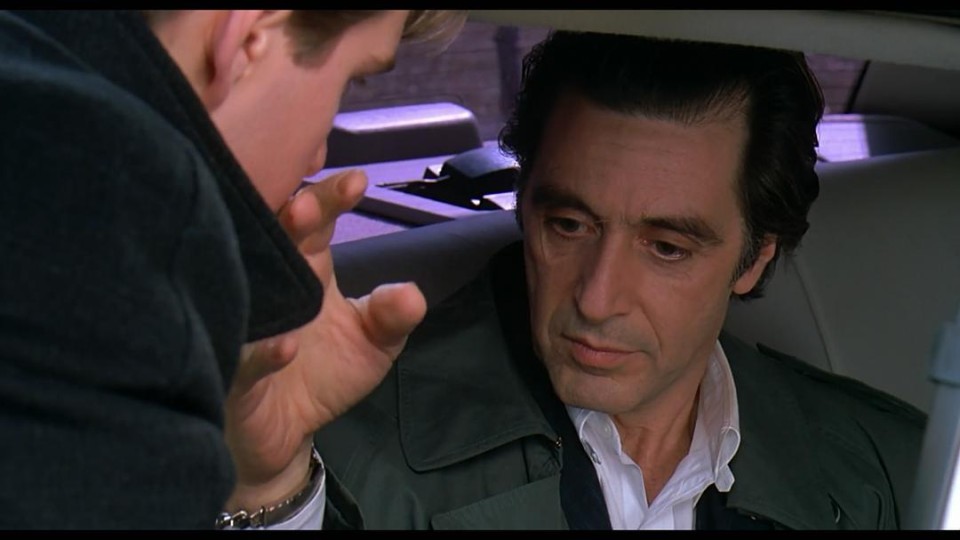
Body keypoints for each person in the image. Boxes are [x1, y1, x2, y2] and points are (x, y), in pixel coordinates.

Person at [313, 31, 928, 530]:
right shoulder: (333, 462)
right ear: (524, 207)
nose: (596, 299)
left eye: (666, 248)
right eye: (569, 226)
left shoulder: (895, 471)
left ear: (754, 258)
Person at [0, 9, 464, 529]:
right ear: (248, 35)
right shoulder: (128, 230)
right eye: (350, 79)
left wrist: (267, 484)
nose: (318, 157)